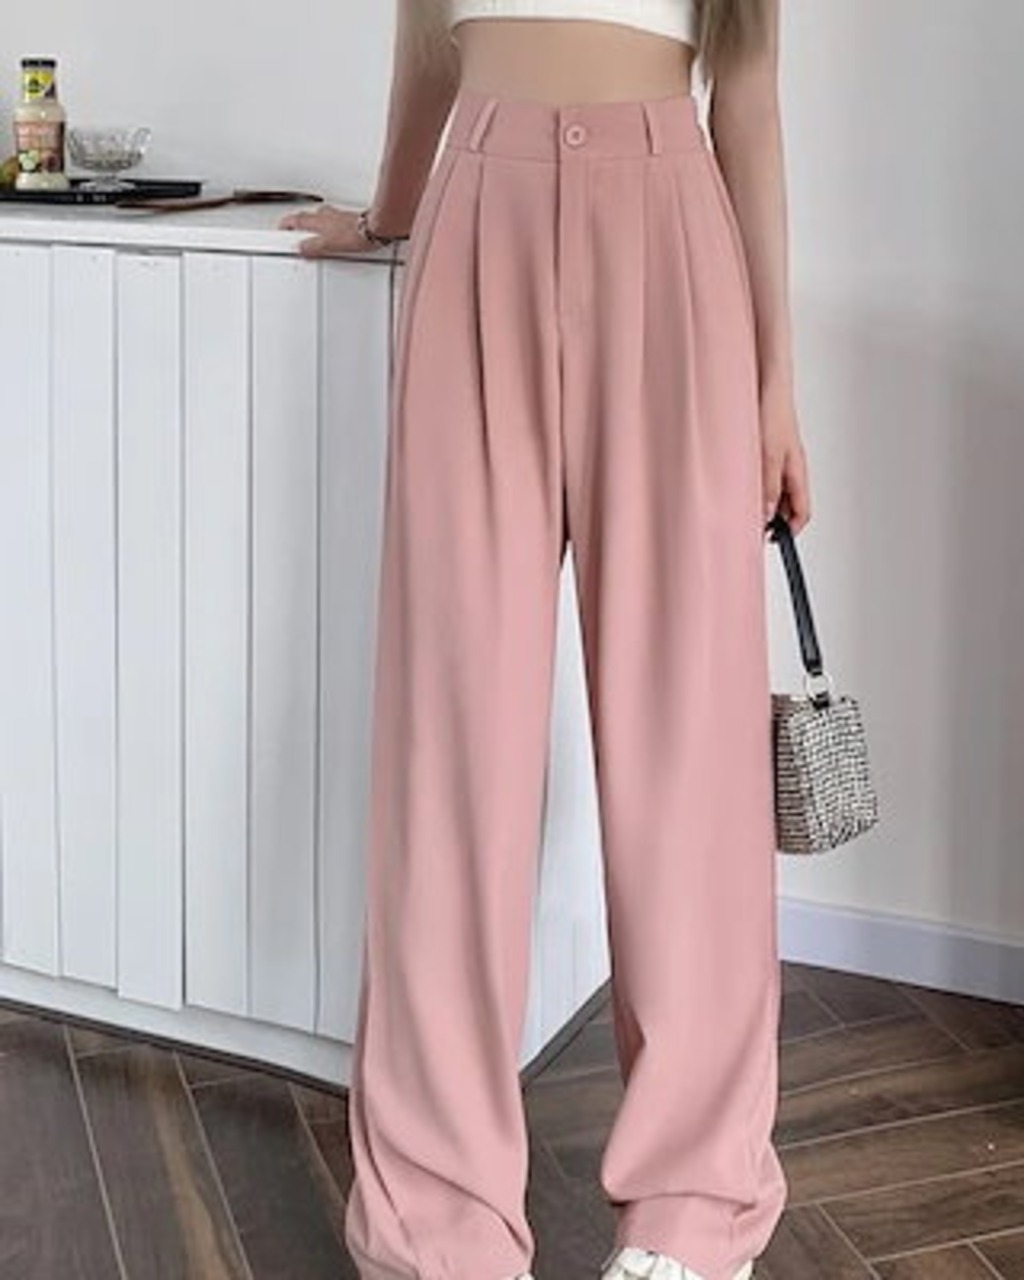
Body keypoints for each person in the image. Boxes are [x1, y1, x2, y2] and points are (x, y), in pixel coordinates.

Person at [278, 2, 809, 1277]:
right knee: (451, 748)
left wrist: (776, 381)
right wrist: (389, 214)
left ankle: (695, 1207)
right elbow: (425, 53)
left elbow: (744, 98)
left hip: (672, 231)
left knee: (687, 751)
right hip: (477, 219)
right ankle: (436, 1220)